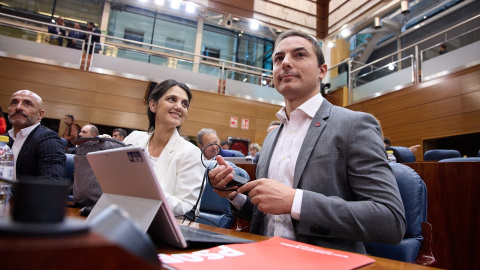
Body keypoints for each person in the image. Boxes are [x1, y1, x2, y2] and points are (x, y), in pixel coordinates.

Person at [208, 30, 406, 253]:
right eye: (278, 58)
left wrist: (296, 202)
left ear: (322, 71)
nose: (286, 63)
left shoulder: (354, 125)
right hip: (266, 258)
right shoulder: (272, 137)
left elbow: (390, 220)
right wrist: (234, 196)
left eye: (299, 55)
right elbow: (270, 217)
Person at [123, 79, 203, 216]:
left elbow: (189, 208)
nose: (179, 107)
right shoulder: (133, 139)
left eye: (185, 104)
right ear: (153, 105)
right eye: (172, 99)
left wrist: (145, 191)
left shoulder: (191, 153)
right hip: (123, 214)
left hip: (159, 226)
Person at [6, 90, 66, 182]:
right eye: (14, 103)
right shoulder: (3, 139)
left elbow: (52, 182)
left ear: (40, 114)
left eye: (27, 104)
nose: (18, 107)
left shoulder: (48, 139)